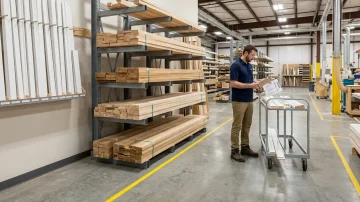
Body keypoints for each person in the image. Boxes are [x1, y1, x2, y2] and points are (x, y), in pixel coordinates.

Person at [230, 44, 260, 162]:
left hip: (249, 99)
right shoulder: (235, 66)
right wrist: (250, 85)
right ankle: (234, 150)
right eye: (252, 55)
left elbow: (249, 81)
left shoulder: (249, 66)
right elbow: (233, 83)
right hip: (239, 101)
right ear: (246, 53)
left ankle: (245, 147)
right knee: (237, 126)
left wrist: (257, 82)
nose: (253, 57)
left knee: (247, 125)